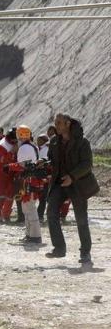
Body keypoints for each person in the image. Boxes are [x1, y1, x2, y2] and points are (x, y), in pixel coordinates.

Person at [45, 114, 100, 266]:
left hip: (77, 184)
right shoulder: (54, 141)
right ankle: (59, 248)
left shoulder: (82, 142)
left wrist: (72, 176)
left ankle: (85, 252)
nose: (56, 125)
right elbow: (51, 160)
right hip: (59, 184)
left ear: (68, 124)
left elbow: (87, 164)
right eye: (55, 123)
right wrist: (43, 163)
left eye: (59, 123)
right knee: (51, 212)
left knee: (81, 219)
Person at [6, 125, 43, 244]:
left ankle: (35, 236)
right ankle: (29, 234)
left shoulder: (24, 148)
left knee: (29, 208)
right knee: (27, 207)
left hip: (28, 181)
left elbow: (23, 165)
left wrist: (10, 166)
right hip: (32, 180)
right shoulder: (33, 146)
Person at [0, 128, 17, 223]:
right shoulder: (1, 146)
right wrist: (12, 152)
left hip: (10, 172)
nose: (15, 141)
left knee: (10, 194)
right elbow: (3, 159)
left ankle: (6, 215)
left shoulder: (15, 143)